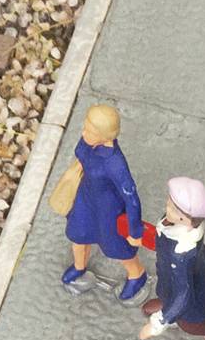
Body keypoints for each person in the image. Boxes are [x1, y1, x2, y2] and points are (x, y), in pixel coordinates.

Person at [49, 102, 147, 299]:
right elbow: (80, 152)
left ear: (105, 136)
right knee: (78, 234)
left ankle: (137, 275)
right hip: (86, 200)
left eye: (90, 130)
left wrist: (134, 230)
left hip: (108, 211)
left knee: (117, 247)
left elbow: (131, 197)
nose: (84, 133)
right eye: (85, 127)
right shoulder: (89, 145)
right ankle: (79, 266)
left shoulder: (115, 164)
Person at [138, 177, 205, 340]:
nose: (167, 209)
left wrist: (158, 324)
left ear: (188, 221)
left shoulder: (182, 254)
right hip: (170, 279)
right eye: (170, 203)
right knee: (166, 292)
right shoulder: (174, 225)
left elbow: (183, 294)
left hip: (193, 301)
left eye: (174, 209)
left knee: (203, 324)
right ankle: (167, 306)